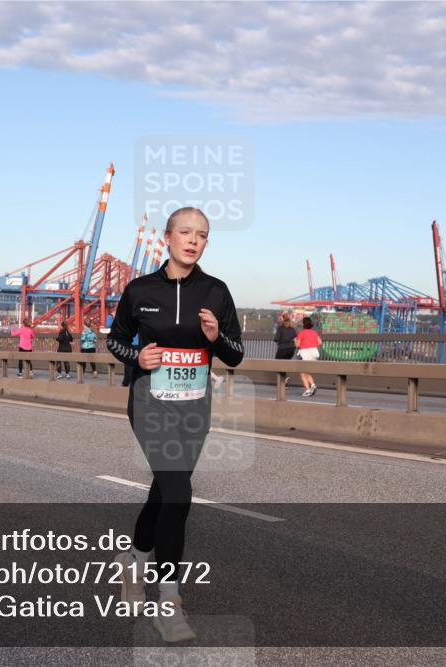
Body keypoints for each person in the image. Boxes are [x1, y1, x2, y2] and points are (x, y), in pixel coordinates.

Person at [106, 207, 244, 643]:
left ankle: (133, 561)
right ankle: (168, 603)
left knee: (167, 489)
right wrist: (137, 356)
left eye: (202, 234)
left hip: (194, 406)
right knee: (180, 492)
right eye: (185, 232)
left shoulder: (217, 292)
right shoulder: (140, 289)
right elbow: (115, 340)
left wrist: (213, 338)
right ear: (167, 238)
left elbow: (235, 353)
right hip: (150, 403)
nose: (193, 240)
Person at [295, 317, 322, 397]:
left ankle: (307, 390)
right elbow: (320, 342)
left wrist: (295, 342)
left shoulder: (302, 333)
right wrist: (313, 345)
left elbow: (297, 345)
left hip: (305, 353)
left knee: (303, 373)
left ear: (303, 324)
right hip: (314, 353)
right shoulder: (314, 332)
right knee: (307, 371)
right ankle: (313, 385)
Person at [273, 313, 297, 386]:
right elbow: (295, 337)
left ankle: (283, 379)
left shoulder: (280, 328)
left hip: (282, 349)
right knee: (285, 364)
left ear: (282, 319)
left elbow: (276, 338)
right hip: (291, 350)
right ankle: (284, 382)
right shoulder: (292, 329)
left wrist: (277, 340)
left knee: (277, 364)